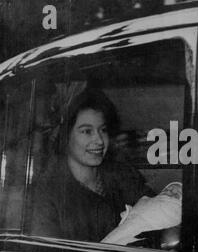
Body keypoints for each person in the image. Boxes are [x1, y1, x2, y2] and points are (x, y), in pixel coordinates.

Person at [29, 88, 154, 241]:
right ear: (65, 136)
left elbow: (158, 212)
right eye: (87, 131)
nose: (99, 140)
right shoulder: (46, 193)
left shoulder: (123, 176)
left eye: (103, 130)